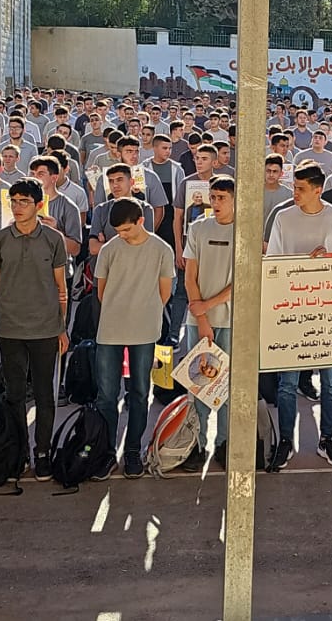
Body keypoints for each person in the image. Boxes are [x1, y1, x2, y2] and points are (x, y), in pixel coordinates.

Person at [266, 162, 332, 470]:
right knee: (287, 383)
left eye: (301, 189)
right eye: (294, 187)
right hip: (291, 311)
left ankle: (327, 439)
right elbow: (273, 263)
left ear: (318, 190)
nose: (295, 193)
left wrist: (328, 260)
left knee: (330, 383)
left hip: (328, 312)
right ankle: (285, 441)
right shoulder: (283, 217)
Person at [0, 178, 70, 483]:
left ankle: (43, 452)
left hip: (46, 328)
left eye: (24, 201)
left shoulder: (53, 239)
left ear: (39, 205)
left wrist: (61, 328)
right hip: (10, 327)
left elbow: (61, 287)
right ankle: (19, 451)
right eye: (14, 201)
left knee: (45, 394)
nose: (18, 207)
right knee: (15, 394)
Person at [93, 196, 175, 479]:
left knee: (140, 393)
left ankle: (132, 451)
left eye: (127, 229)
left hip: (145, 331)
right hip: (110, 330)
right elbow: (101, 292)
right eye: (118, 231)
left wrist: (145, 311)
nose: (123, 235)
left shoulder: (161, 249)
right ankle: (105, 452)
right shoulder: (109, 249)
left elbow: (165, 292)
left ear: (141, 221)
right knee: (106, 395)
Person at [180, 176, 236, 471]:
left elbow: (244, 279)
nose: (216, 203)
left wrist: (210, 305)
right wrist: (201, 317)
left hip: (230, 319)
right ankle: (196, 444)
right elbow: (190, 277)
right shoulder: (198, 228)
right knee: (199, 385)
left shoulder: (244, 231)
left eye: (222, 197)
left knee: (226, 386)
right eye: (213, 197)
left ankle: (224, 443)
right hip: (198, 320)